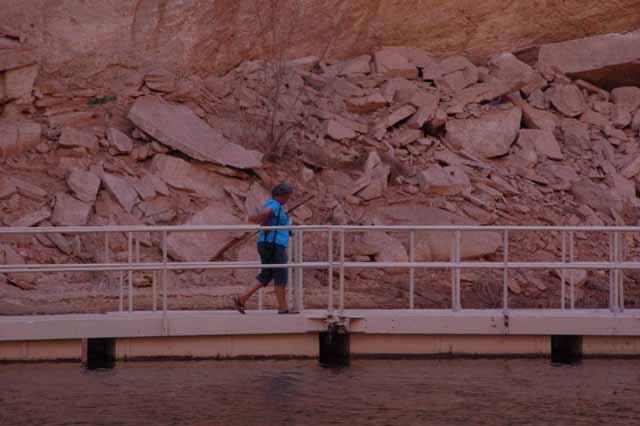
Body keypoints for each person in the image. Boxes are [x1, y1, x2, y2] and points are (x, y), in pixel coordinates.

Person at [234, 183, 294, 314]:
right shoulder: (275, 205)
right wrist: (266, 230)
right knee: (280, 273)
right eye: (287, 195)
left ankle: (242, 298)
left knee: (266, 274)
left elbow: (267, 217)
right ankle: (283, 308)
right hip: (274, 245)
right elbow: (266, 214)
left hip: (267, 244)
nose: (288, 198)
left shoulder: (270, 204)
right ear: (280, 195)